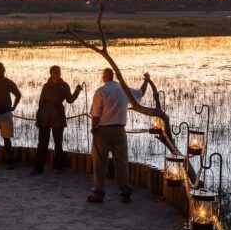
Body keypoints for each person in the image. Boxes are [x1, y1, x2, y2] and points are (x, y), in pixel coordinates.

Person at [88, 68, 150, 204]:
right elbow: (141, 93)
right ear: (114, 76)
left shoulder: (101, 91)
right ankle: (125, 191)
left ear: (104, 77)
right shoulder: (124, 89)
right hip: (120, 130)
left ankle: (99, 193)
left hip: (103, 131)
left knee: (100, 163)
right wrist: (146, 80)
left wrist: (94, 129)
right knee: (121, 162)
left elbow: (95, 114)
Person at [31, 66, 82, 175]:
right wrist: (38, 118)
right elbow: (41, 103)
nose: (58, 74)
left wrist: (77, 91)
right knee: (42, 143)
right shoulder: (45, 86)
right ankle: (38, 168)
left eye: (59, 72)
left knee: (58, 143)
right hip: (45, 117)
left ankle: (58, 167)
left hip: (58, 116)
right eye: (55, 73)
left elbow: (70, 100)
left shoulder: (64, 86)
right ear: (51, 74)